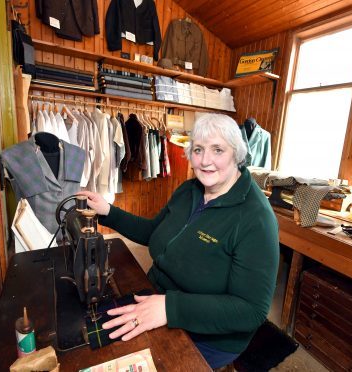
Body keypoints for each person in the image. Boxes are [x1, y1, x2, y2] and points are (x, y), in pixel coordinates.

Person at [78, 113, 279, 369]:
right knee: (90, 345)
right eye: (198, 149)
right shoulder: (189, 190)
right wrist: (109, 211)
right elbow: (154, 232)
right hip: (154, 297)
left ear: (236, 155)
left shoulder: (256, 219)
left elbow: (250, 310)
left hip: (208, 335)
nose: (205, 160)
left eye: (218, 150)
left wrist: (170, 309)